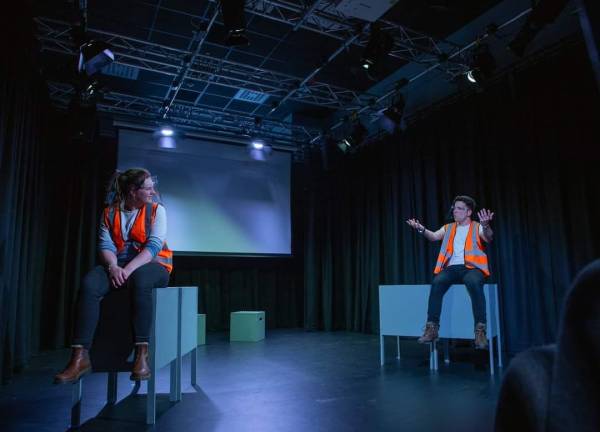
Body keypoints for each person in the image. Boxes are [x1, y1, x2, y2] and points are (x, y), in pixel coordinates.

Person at [54, 168, 173, 384]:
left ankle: (141, 353)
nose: (153, 192)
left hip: (154, 265)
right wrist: (113, 267)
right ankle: (80, 357)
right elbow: (105, 245)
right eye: (148, 189)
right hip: (119, 264)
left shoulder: (157, 210)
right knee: (90, 284)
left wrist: (127, 270)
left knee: (141, 280)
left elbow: (153, 246)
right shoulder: (109, 213)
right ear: (132, 191)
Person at [406, 195, 494, 349]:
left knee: (473, 282)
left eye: (460, 208)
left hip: (472, 268)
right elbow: (434, 237)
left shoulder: (477, 226)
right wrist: (421, 228)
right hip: (452, 268)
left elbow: (488, 238)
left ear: (468, 212)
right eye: (454, 208)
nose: (455, 211)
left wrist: (486, 226)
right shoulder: (448, 227)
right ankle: (432, 329)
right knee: (437, 282)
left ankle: (480, 331)